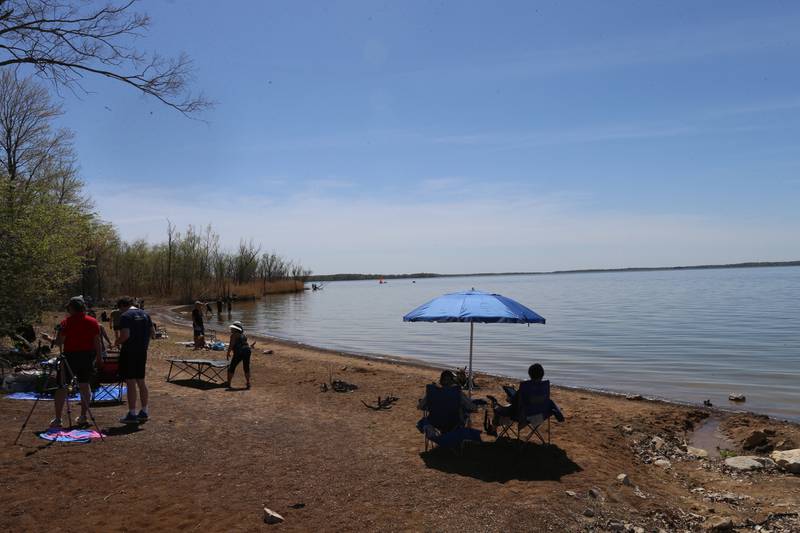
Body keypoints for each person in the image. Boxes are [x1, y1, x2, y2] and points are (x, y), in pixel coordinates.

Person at [50, 296, 103, 429]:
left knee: (62, 386)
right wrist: (99, 357)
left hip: (70, 357)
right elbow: (97, 341)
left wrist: (49, 339)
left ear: (72, 308)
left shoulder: (66, 322)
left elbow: (60, 342)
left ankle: (58, 419)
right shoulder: (92, 321)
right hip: (87, 356)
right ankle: (83, 416)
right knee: (84, 385)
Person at [486, 363, 564, 435]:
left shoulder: (525, 387)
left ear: (529, 374)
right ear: (542, 374)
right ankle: (494, 425)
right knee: (508, 408)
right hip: (539, 417)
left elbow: (514, 401)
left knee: (498, 408)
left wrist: (509, 398)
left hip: (523, 418)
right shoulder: (544, 387)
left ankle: (493, 428)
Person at [115, 296, 155, 424]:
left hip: (129, 352)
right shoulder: (145, 314)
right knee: (141, 381)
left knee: (130, 382)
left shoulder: (125, 316)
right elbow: (152, 333)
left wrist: (116, 342)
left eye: (119, 309)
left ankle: (132, 414)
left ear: (122, 306)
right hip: (142, 351)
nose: (120, 311)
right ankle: (144, 411)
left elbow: (125, 335)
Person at [226, 321, 252, 389]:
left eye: (232, 328)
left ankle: (228, 384)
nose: (231, 329)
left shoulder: (234, 335)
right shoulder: (244, 335)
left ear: (235, 329)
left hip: (240, 351)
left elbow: (231, 345)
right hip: (247, 350)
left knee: (232, 367)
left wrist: (228, 353)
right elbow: (245, 344)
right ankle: (248, 383)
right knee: (246, 367)